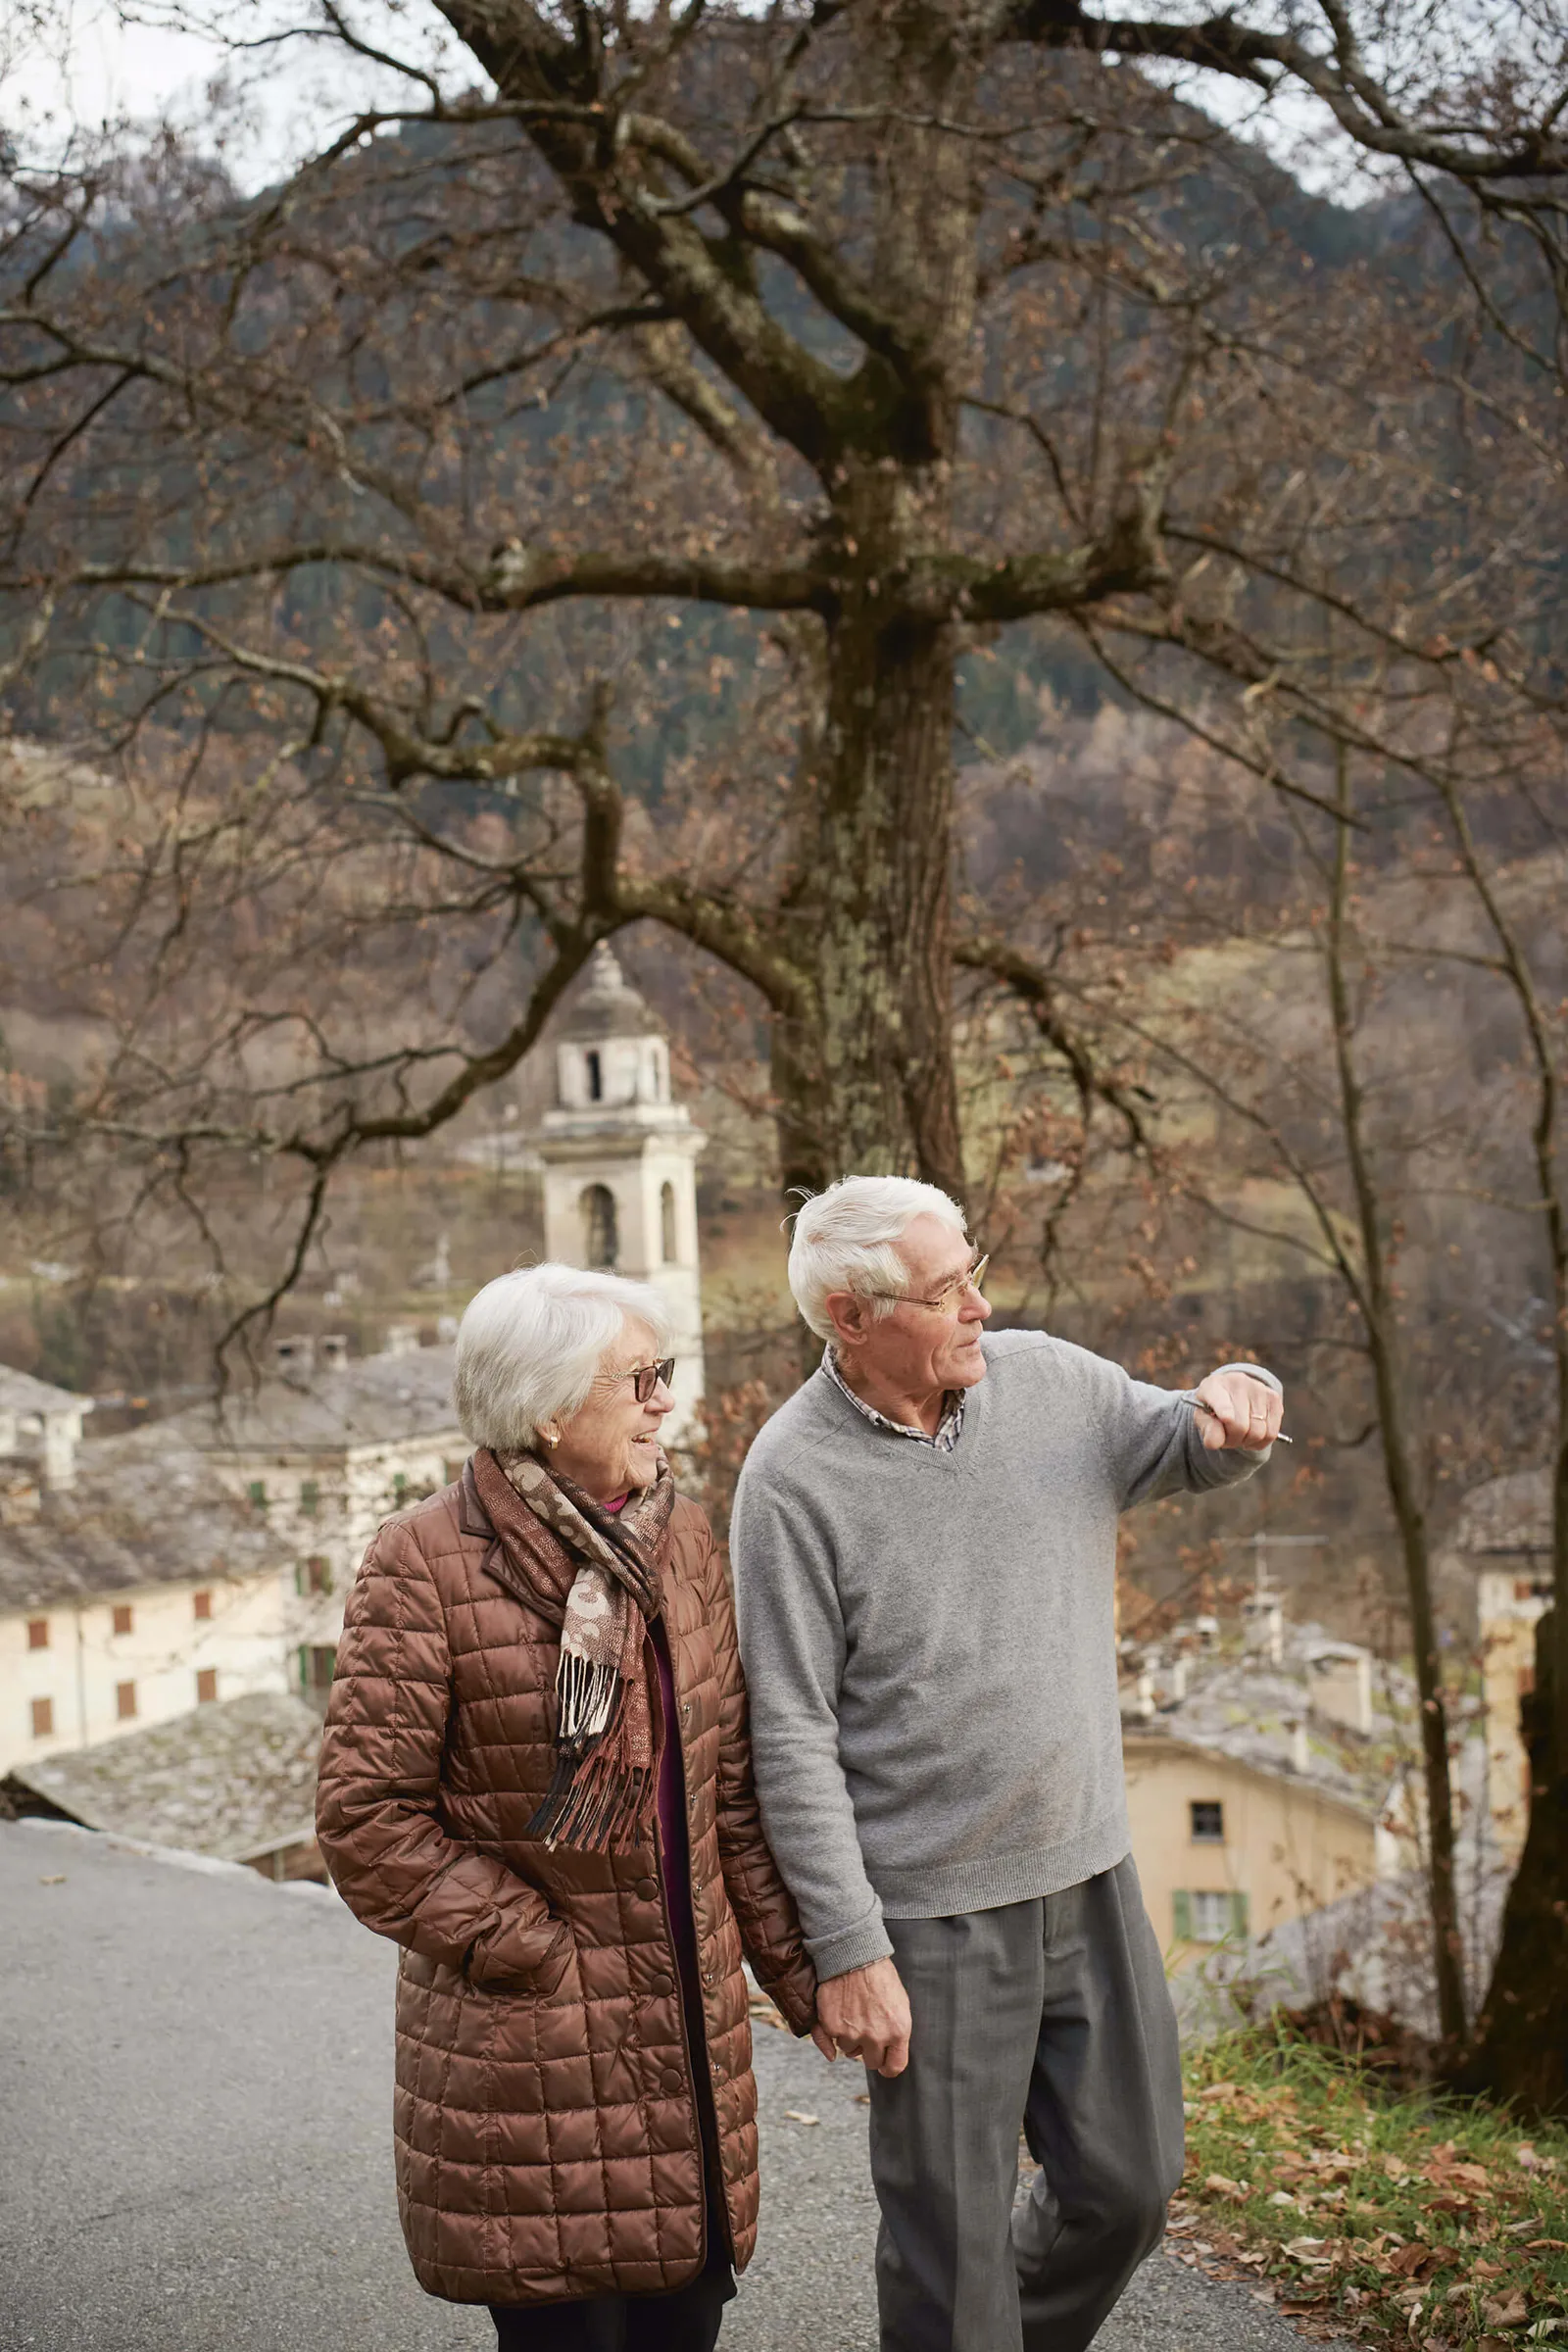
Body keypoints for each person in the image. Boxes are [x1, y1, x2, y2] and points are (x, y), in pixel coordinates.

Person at [730, 1176, 1286, 2352]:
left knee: (1127, 2186)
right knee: (951, 2248)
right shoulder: (790, 1480)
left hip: (1087, 1875)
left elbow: (1186, 1438)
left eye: (973, 1271)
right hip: (930, 1921)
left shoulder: (1048, 1384)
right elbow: (787, 1731)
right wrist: (848, 1948)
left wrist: (1239, 1405)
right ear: (851, 1317)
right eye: (947, 1292)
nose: (980, 1304)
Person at [317, 1263, 817, 2350]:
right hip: (530, 2059)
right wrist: (539, 1951)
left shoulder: (682, 1542)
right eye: (639, 1379)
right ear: (547, 1409)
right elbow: (366, 1821)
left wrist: (808, 1974)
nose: (664, 1402)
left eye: (662, 1374)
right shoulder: (424, 1562)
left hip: (686, 2047)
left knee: (681, 2325)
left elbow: (724, 1794)